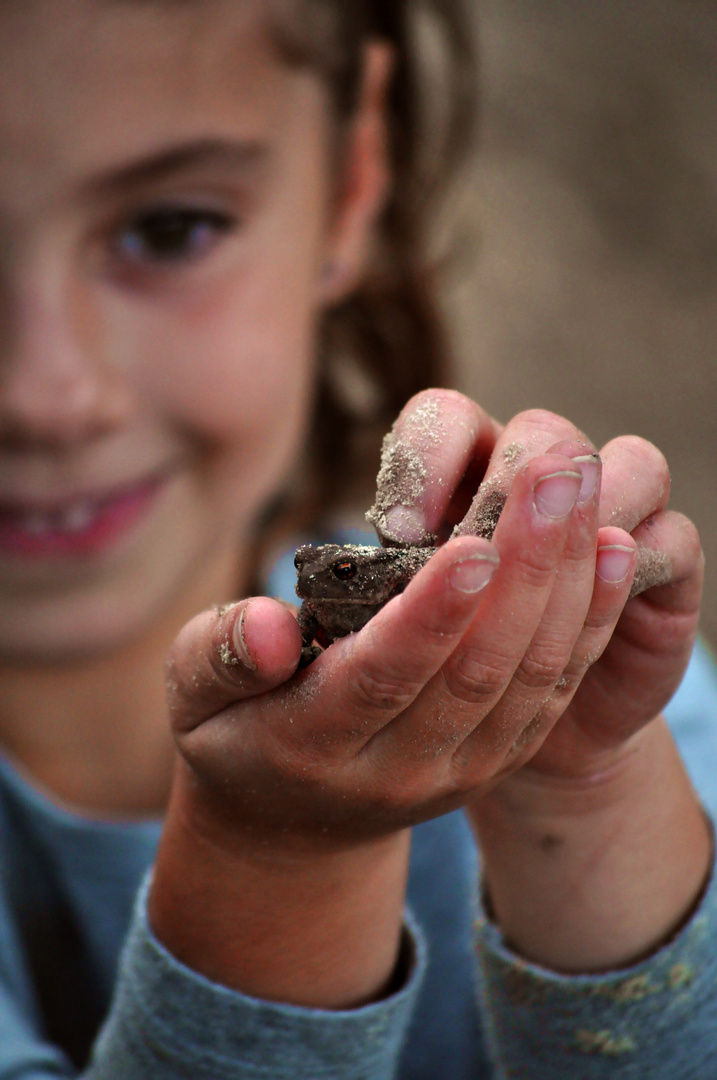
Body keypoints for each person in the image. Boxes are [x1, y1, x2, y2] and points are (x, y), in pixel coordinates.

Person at [0, 2, 715, 1078]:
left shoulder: (632, 696)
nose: (47, 395)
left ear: (348, 186)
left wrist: (576, 773)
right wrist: (276, 859)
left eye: (169, 228)